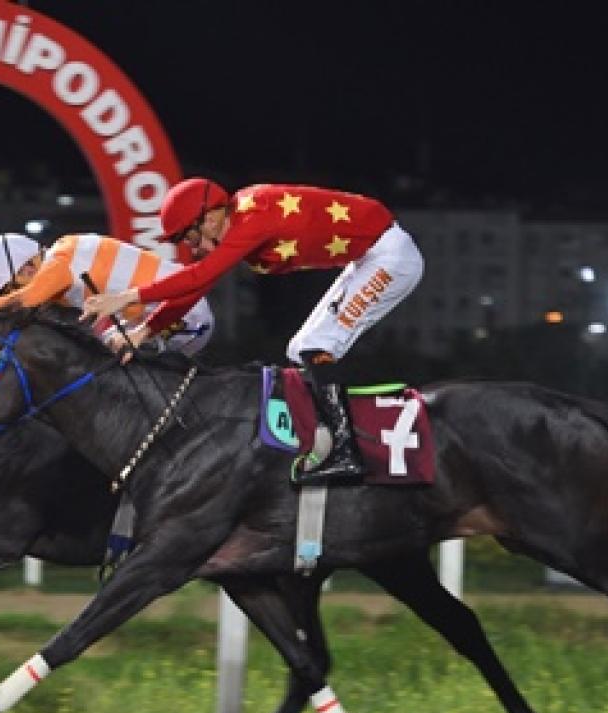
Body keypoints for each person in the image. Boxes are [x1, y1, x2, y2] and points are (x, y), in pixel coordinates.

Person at [81, 178, 424, 485]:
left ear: (212, 217)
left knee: (316, 345)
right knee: (301, 348)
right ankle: (332, 440)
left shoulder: (253, 217)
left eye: (191, 236)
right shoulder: (239, 218)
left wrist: (126, 297)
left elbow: (198, 276)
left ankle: (346, 451)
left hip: (389, 259)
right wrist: (145, 330)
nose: (193, 247)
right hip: (369, 258)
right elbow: (198, 286)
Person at [0, 232, 214, 356]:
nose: (14, 292)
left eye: (11, 284)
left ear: (27, 269)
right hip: (170, 316)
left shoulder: (59, 264)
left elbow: (10, 305)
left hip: (184, 315)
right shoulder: (60, 262)